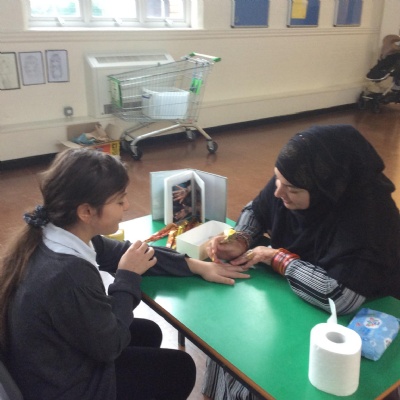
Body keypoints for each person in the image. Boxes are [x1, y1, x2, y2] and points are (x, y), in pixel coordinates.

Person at [0, 148, 250, 400]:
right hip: (67, 389)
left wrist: (197, 266)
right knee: (180, 369)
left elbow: (129, 253)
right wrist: (127, 276)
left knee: (148, 332)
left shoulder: (57, 232)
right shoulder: (68, 274)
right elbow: (111, 346)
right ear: (86, 212)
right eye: (120, 201)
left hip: (53, 362)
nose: (127, 206)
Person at [202, 124, 400, 400]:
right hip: (296, 299)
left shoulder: (368, 219)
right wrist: (242, 238)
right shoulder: (293, 181)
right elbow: (257, 209)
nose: (278, 193)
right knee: (231, 350)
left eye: (292, 189)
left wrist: (275, 257)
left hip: (356, 322)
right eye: (277, 180)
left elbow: (340, 298)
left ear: (326, 189)